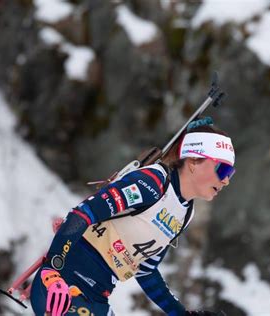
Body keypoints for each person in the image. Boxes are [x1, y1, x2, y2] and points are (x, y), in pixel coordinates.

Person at [30, 118, 235, 316]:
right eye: (223, 169)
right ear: (194, 162)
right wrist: (51, 271)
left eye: (231, 173)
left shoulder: (184, 213)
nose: (226, 180)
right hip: (61, 284)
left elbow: (145, 271)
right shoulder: (152, 184)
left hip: (96, 298)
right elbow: (83, 214)